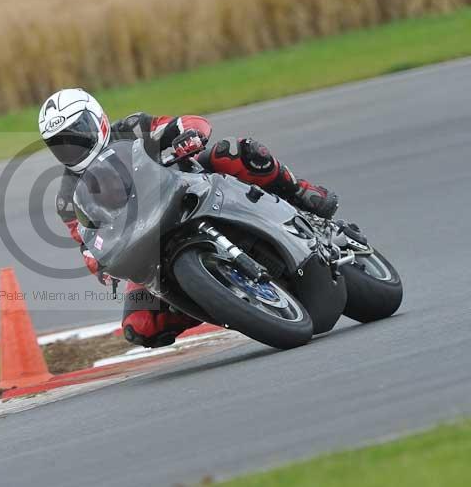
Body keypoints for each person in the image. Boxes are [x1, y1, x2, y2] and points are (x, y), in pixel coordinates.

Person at [39, 88, 338, 348]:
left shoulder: (133, 127)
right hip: (146, 243)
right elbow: (87, 243)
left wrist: (190, 135)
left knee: (234, 152)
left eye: (78, 133)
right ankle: (221, 299)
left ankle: (302, 193)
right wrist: (100, 263)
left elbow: (183, 123)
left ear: (98, 119)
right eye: (60, 143)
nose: (72, 146)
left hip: (191, 188)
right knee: (139, 325)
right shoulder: (68, 197)